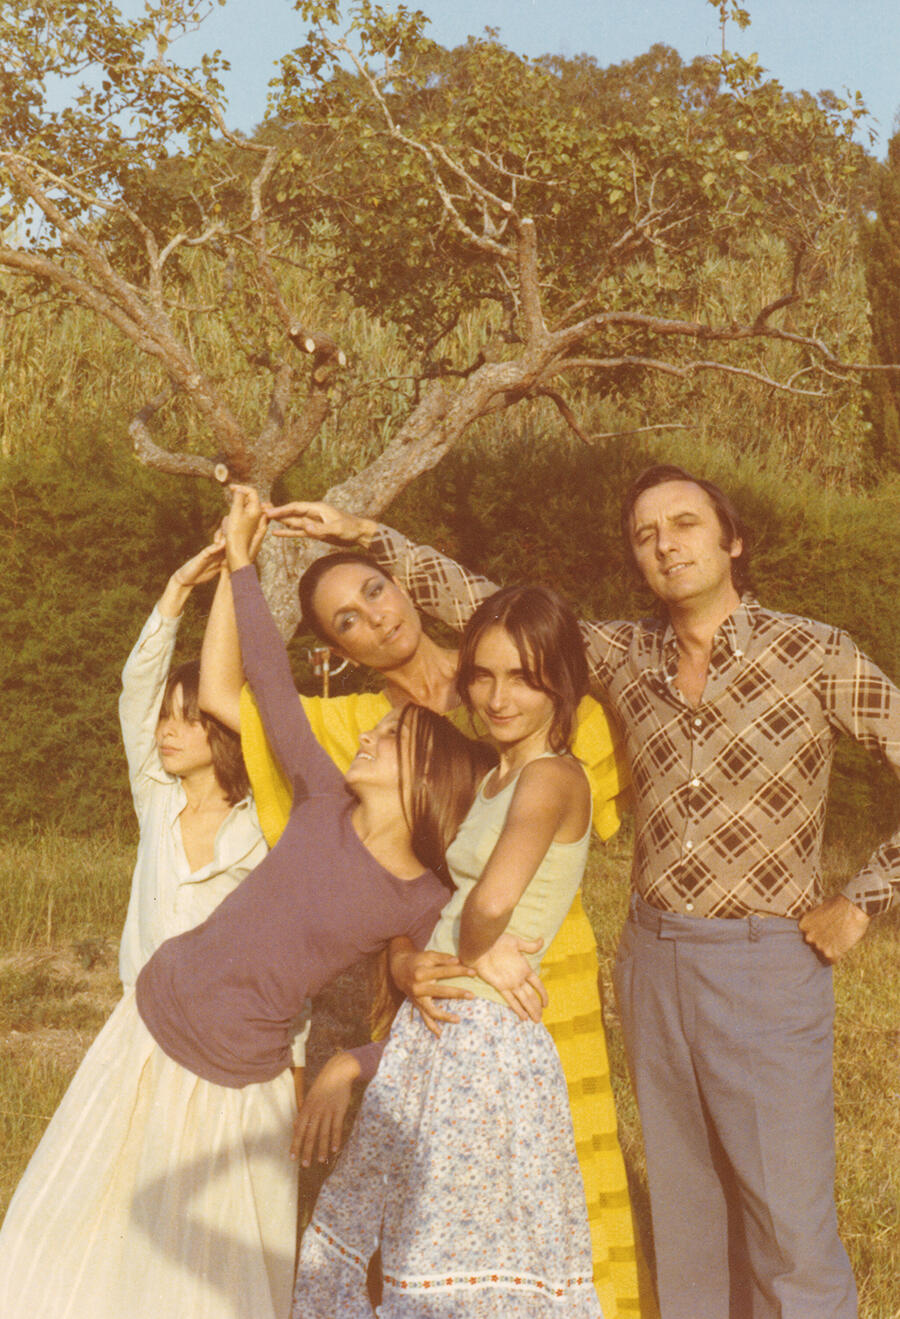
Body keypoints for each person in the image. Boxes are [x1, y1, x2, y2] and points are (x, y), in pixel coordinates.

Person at [275, 468, 900, 1319]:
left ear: (732, 540)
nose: (666, 544)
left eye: (685, 524)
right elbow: (495, 605)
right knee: (686, 1222)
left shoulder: (815, 651)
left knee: (788, 1222)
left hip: (765, 961)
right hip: (653, 959)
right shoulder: (624, 652)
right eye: (646, 534)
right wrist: (363, 533)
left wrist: (863, 898)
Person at [0, 491, 491, 1319]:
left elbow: (427, 1023)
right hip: (151, 1021)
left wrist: (347, 1068)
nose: (369, 735)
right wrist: (241, 560)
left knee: (209, 1281)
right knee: (79, 1220)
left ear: (426, 777)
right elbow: (265, 670)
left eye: (391, 738)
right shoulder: (319, 799)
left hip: (238, 1076)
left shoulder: (424, 895)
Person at [200, 522, 656, 1319]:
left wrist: (378, 537)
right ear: (338, 649)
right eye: (346, 619)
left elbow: (548, 630)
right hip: (446, 987)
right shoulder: (365, 729)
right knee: (437, 1208)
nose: (374, 618)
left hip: (535, 979)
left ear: (406, 586)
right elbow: (228, 700)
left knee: (566, 1190)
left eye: (376, 588)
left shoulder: (532, 698)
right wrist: (404, 958)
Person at [292, 581, 605, 1317]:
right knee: (401, 1236)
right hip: (441, 1030)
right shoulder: (489, 772)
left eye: (523, 678)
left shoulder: (551, 775)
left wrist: (478, 947)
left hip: (486, 1045)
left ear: (558, 679)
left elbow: (489, 902)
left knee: (458, 1255)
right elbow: (421, 891)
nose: (499, 697)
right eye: (484, 674)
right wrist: (406, 960)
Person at [0, 540, 269, 1315]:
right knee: (94, 1194)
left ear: (222, 731)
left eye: (187, 719)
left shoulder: (262, 830)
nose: (167, 730)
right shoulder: (157, 801)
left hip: (224, 1048)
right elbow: (133, 686)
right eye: (166, 720)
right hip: (139, 1033)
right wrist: (178, 588)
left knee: (202, 1218)